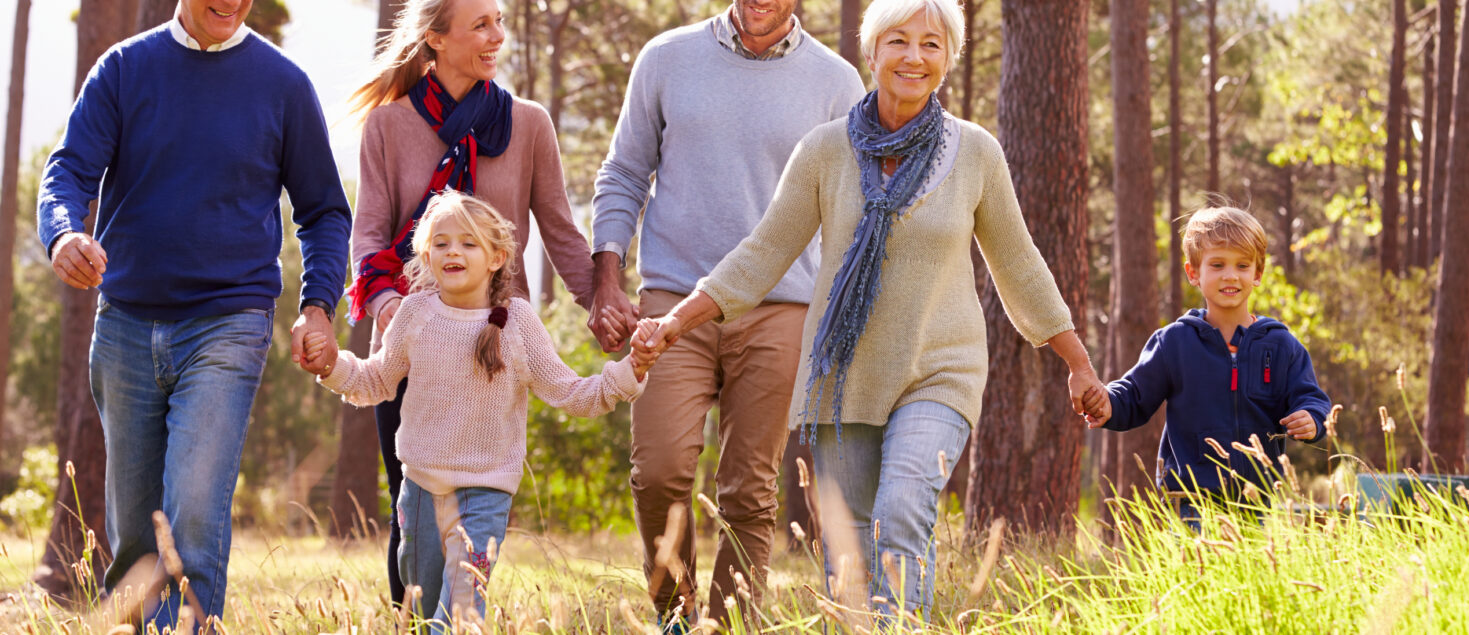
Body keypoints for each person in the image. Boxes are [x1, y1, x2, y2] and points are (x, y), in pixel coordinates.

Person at [634, 0, 1105, 620]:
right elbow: (762, 255)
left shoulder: (975, 154)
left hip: (940, 369)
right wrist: (674, 322)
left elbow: (1018, 265)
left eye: (931, 44)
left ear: (949, 60)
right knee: (851, 542)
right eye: (899, 41)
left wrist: (1077, 363)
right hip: (845, 373)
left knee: (902, 506)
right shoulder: (825, 151)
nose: (914, 57)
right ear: (873, 52)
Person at [34, 0, 351, 629]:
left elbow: (323, 211)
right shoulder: (125, 68)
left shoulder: (284, 85)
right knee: (133, 531)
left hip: (230, 320)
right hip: (125, 322)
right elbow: (68, 171)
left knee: (196, 515)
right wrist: (64, 233)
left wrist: (317, 305)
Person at [588, 0, 865, 626]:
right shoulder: (666, 58)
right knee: (659, 471)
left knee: (748, 489)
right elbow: (624, 172)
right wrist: (606, 276)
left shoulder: (836, 81)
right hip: (670, 303)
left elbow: (852, 206)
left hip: (783, 307)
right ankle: (676, 617)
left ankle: (730, 624)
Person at [343, 0, 627, 602]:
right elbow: (368, 232)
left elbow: (559, 231)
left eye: (500, 20)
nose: (498, 36)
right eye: (481, 24)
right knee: (413, 514)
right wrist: (389, 301)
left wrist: (599, 304)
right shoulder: (389, 125)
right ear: (437, 40)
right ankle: (414, 618)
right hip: (410, 343)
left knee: (477, 517)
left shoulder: (528, 124)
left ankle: (461, 616)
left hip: (494, 345)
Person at [302, 191, 653, 631]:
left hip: (484, 495)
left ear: (496, 257)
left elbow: (572, 393)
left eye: (468, 243)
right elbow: (375, 381)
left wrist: (630, 371)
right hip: (421, 493)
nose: (453, 251)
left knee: (460, 615)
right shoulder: (414, 314)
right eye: (442, 243)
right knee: (425, 612)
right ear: (427, 256)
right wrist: (333, 365)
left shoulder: (517, 324)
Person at [1088, 206, 1331, 529]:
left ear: (1257, 274)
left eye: (1242, 266)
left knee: (1253, 579)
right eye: (1217, 265)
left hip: (1257, 502)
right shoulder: (1174, 342)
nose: (1230, 275)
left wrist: (1312, 420)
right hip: (1190, 501)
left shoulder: (1281, 345)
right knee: (1198, 577)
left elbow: (1310, 398)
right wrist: (1108, 403)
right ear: (1193, 273)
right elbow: (1134, 394)